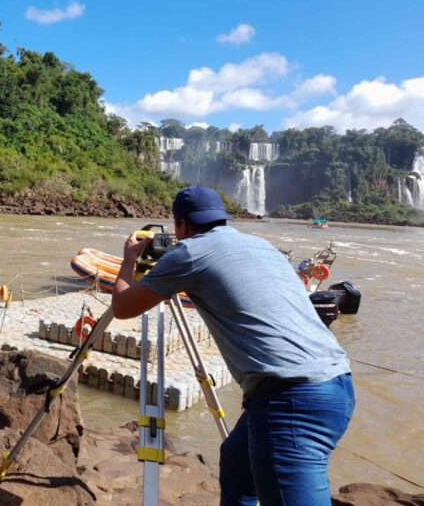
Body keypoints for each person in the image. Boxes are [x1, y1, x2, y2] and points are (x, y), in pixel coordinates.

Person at [112, 186, 354, 506]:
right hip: (337, 383)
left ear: (181, 224)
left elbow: (122, 307)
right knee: (238, 466)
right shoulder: (262, 246)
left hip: (290, 399)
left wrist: (129, 259)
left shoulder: (187, 254)